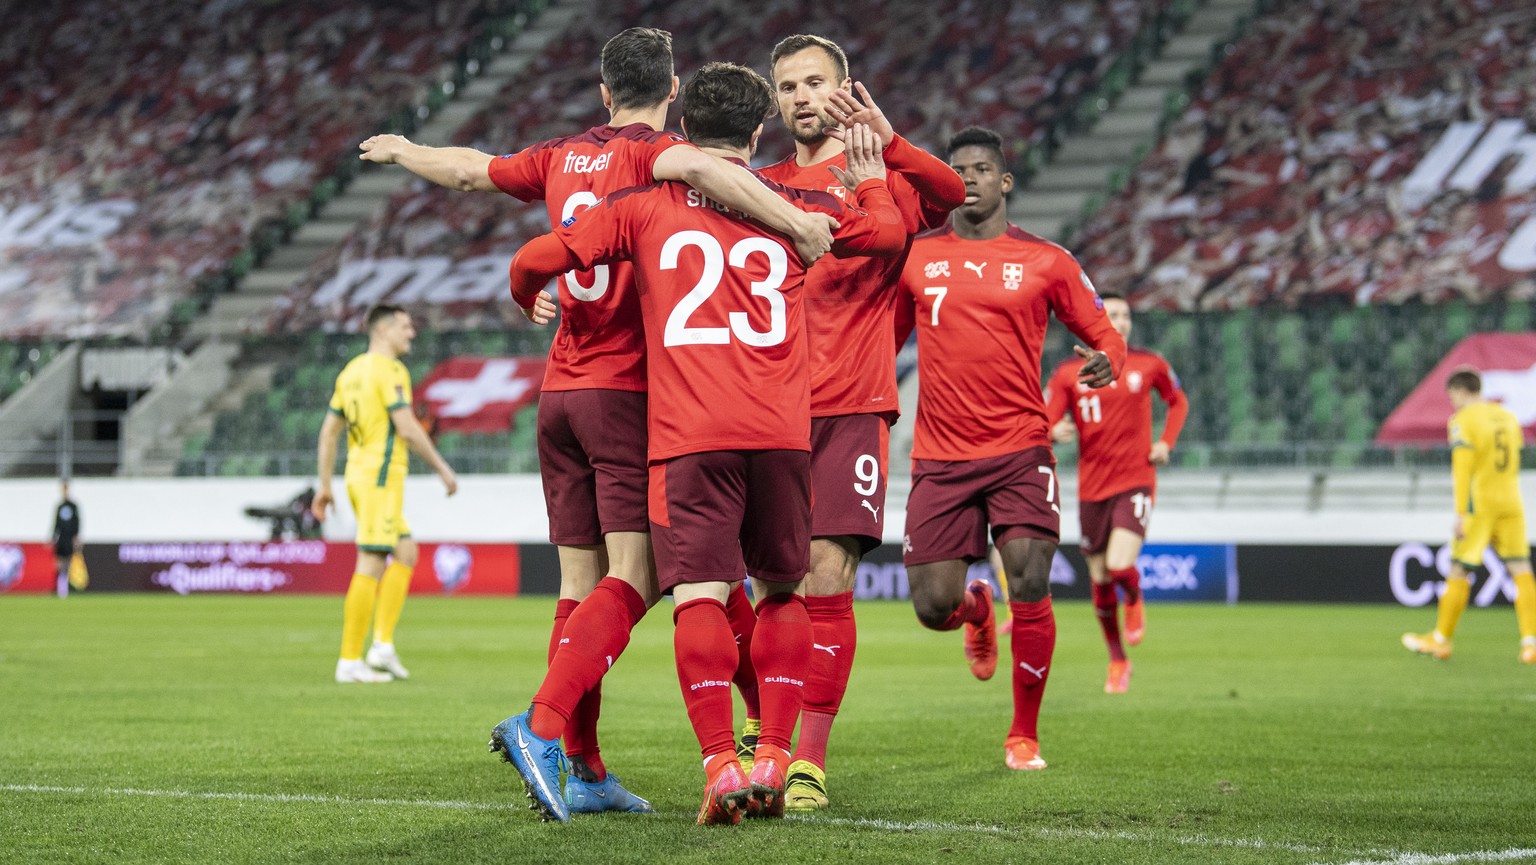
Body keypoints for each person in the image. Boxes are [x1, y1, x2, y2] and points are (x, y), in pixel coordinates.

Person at [359, 28, 835, 810]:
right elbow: (699, 166)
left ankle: (583, 768)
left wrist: (409, 149)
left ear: (603, 93)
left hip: (562, 390)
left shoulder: (559, 155)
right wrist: (797, 221)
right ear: (671, 93)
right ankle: (555, 730)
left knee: (585, 584)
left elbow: (473, 171)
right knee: (661, 578)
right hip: (638, 395)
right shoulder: (658, 161)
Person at [493, 62, 905, 825]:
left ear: (684, 133)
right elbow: (887, 234)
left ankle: (719, 761)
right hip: (782, 431)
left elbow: (531, 260)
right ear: (758, 133)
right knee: (784, 594)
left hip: (687, 436)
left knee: (699, 598)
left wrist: (530, 296)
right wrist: (872, 180)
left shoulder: (640, 207)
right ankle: (776, 756)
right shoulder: (800, 201)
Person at [755, 33, 965, 811]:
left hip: (851, 405)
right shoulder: (761, 183)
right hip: (767, 408)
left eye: (816, 82)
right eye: (788, 86)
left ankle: (807, 758)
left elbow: (951, 193)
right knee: (770, 584)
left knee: (827, 575)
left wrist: (889, 136)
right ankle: (764, 729)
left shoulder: (884, 179)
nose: (802, 96)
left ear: (845, 90)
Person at [896, 127, 1125, 771]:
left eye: (979, 169)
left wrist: (1108, 360)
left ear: (1005, 182)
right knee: (930, 606)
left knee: (1030, 578)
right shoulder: (915, 258)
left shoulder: (1047, 259)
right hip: (940, 457)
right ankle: (975, 610)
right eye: (957, 170)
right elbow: (880, 341)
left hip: (1020, 450)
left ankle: (1023, 734)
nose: (967, 179)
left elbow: (1103, 331)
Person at [1045, 292, 1188, 693]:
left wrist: (1166, 443)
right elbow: (1043, 421)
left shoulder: (1149, 363)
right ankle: (1117, 659)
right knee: (1100, 576)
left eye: (1125, 314)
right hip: (1092, 487)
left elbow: (1178, 402)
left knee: (1120, 564)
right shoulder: (1066, 373)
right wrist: (1052, 432)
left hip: (1136, 479)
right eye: (1112, 314)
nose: (1121, 321)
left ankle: (1135, 596)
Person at [313, 304, 458, 684]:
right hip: (380, 476)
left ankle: (382, 646)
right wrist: (443, 469)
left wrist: (325, 485)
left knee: (406, 551)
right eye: (406, 326)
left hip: (359, 476)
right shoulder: (391, 370)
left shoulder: (351, 371)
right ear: (384, 331)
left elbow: (329, 430)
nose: (411, 333)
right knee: (372, 562)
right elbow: (407, 428)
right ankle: (349, 660)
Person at [1403, 368, 1534, 664]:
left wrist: (1461, 512)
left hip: (1481, 504)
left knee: (1459, 570)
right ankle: (1531, 642)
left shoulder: (1463, 421)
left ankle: (1441, 639)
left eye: (1452, 396)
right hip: (1511, 501)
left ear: (1460, 391)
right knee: (1521, 569)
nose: (1452, 403)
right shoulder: (1508, 417)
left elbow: (1462, 470)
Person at [52, 479, 80, 599]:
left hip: (69, 538)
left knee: (67, 563)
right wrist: (53, 537)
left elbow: (77, 523)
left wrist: (76, 538)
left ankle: (65, 588)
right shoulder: (59, 507)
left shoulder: (73, 506)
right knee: (59, 563)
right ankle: (60, 587)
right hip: (61, 538)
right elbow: (56, 524)